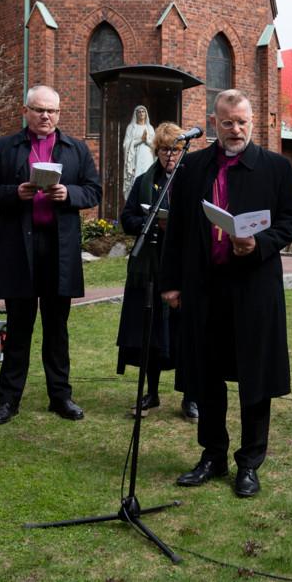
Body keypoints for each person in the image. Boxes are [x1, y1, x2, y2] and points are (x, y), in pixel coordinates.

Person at [159, 89, 292, 498]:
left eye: (241, 122)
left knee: (254, 377)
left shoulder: (275, 167)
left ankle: (250, 462)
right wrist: (170, 282)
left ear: (252, 122)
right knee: (206, 374)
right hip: (204, 287)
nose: (235, 129)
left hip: (254, 287)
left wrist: (260, 244)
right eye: (227, 122)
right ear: (214, 123)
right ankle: (212, 454)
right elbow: (180, 231)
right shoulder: (192, 167)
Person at [0, 85, 102, 425]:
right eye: (39, 110)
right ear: (26, 111)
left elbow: (94, 190)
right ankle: (8, 401)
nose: (46, 116)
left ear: (59, 114)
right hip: (20, 249)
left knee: (57, 331)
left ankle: (60, 397)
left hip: (60, 251)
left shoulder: (76, 149)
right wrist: (15, 193)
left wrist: (68, 193)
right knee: (18, 328)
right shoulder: (5, 147)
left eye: (52, 111)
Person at [116, 121, 197, 421]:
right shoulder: (143, 181)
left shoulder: (192, 180)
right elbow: (126, 219)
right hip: (149, 266)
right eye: (164, 150)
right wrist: (149, 220)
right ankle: (151, 392)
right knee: (150, 331)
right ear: (156, 151)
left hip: (183, 268)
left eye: (175, 149)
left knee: (185, 333)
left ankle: (190, 397)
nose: (170, 156)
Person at [122, 104, 155, 196]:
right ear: (136, 114)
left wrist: (146, 140)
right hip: (135, 157)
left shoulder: (150, 128)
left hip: (148, 156)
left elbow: (155, 145)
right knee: (136, 179)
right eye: (139, 112)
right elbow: (126, 144)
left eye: (143, 111)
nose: (141, 113)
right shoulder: (131, 128)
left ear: (146, 114)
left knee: (147, 177)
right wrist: (140, 140)